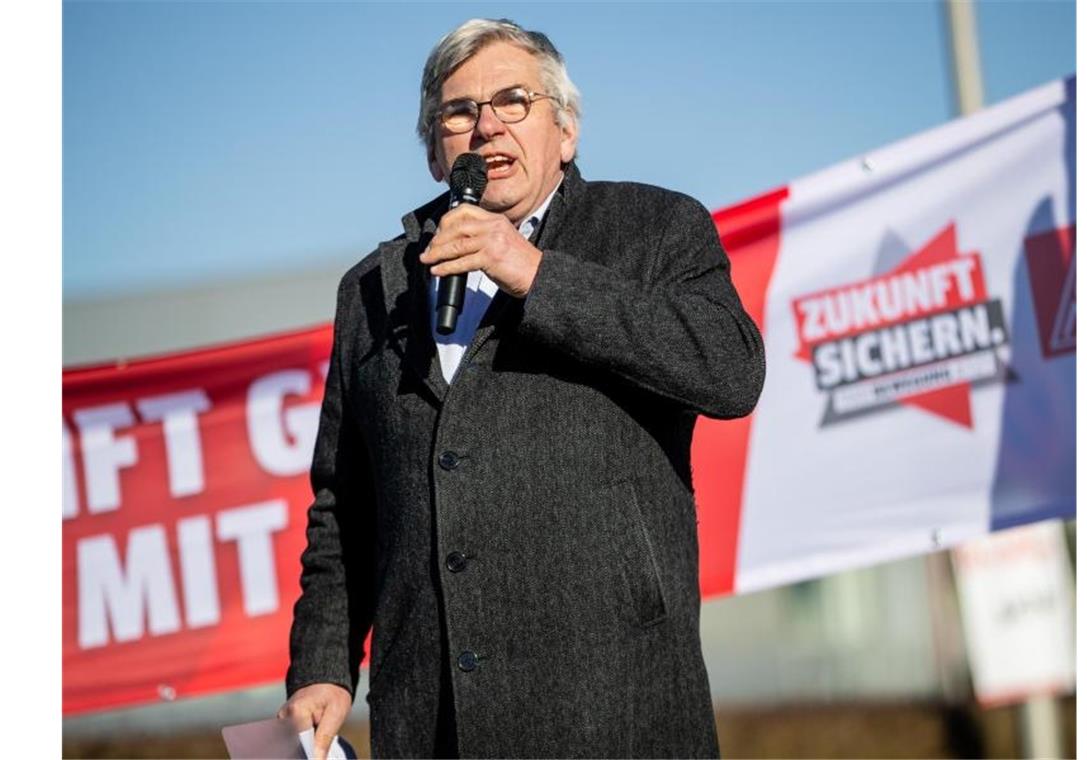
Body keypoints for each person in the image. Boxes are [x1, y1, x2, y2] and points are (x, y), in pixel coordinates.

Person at [278, 17, 764, 760]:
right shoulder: (372, 289)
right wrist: (322, 666)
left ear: (565, 132)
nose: (485, 126)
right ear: (435, 149)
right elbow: (346, 503)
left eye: (513, 101)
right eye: (459, 110)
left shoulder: (654, 229)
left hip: (614, 707)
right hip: (434, 715)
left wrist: (536, 274)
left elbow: (731, 370)